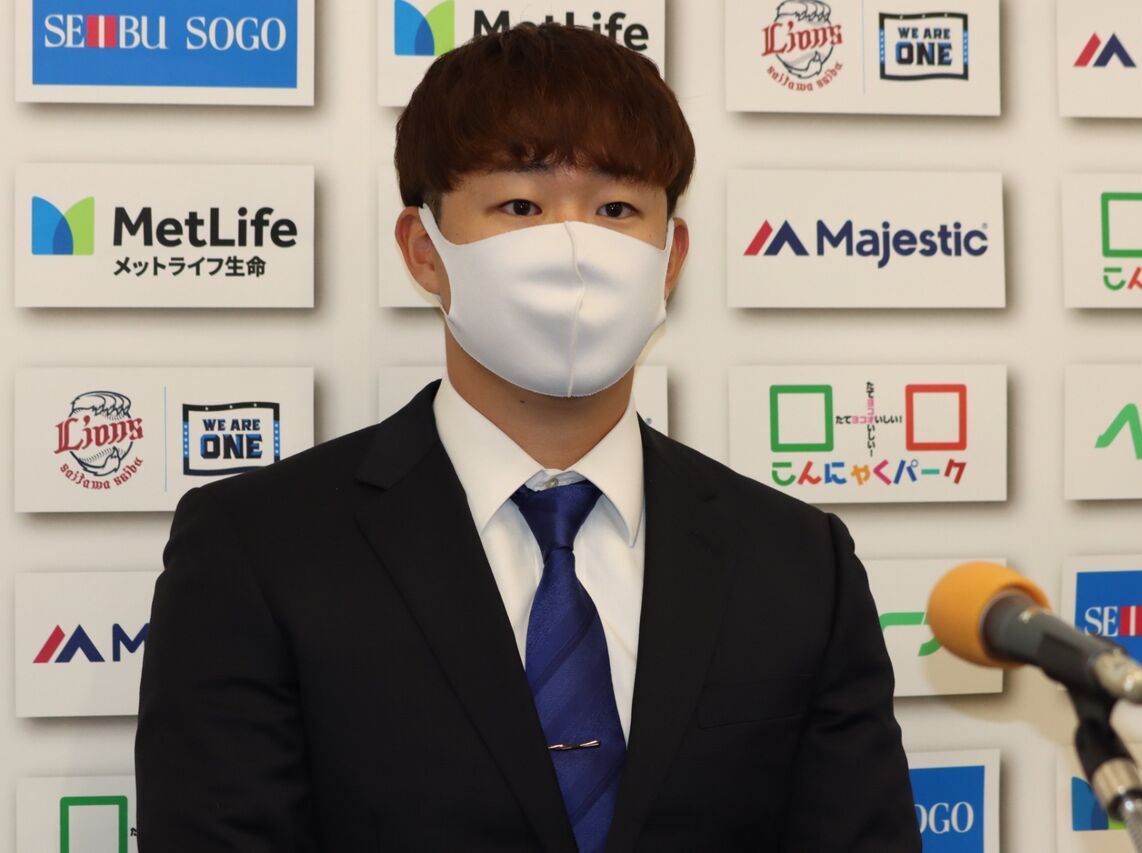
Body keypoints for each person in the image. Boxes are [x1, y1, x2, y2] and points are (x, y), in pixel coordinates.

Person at [135, 21, 919, 853]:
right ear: (424, 251)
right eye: (520, 206)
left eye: (616, 209)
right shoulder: (258, 548)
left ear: (670, 256)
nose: (573, 247)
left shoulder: (799, 563)